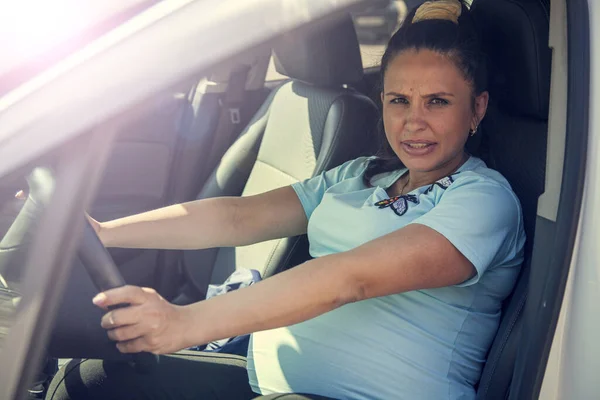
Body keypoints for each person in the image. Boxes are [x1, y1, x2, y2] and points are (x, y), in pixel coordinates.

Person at [46, 1, 526, 399]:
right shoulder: (359, 176)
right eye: (399, 100)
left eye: (437, 102)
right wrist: (102, 231)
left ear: (476, 108)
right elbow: (237, 217)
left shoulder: (484, 201)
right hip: (271, 386)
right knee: (90, 380)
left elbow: (349, 279)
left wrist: (185, 323)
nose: (412, 122)